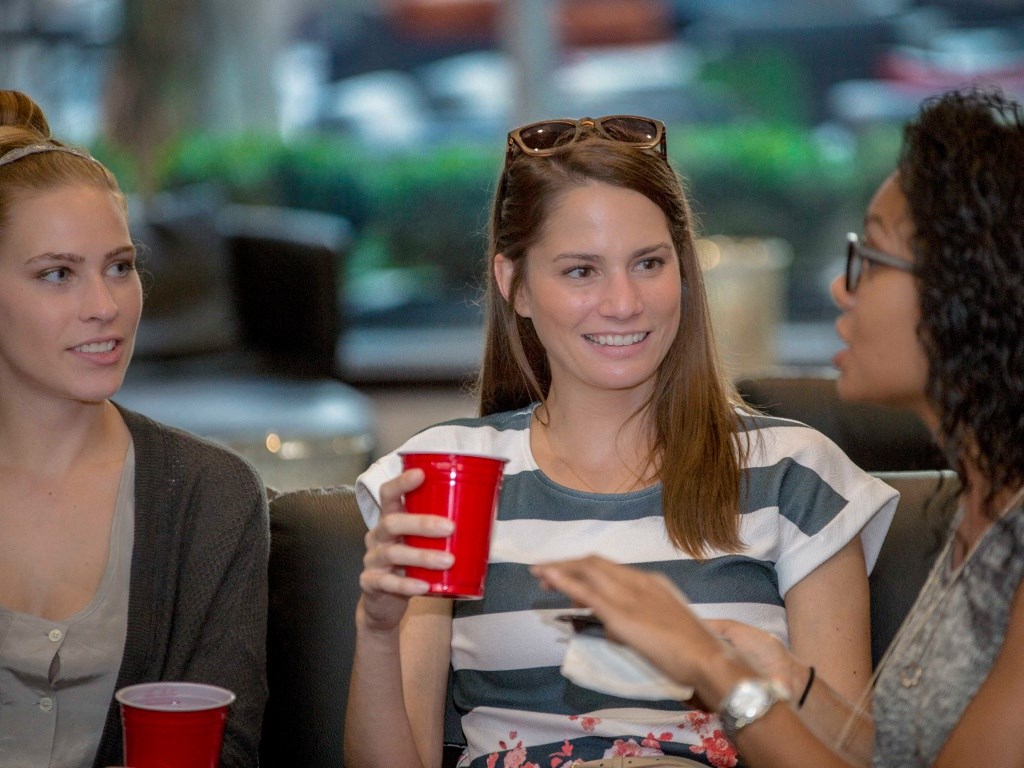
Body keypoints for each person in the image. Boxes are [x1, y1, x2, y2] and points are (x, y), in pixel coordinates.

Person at [348, 113, 898, 767]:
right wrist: (376, 634)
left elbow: (851, 759)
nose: (623, 302)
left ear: (684, 271)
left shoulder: (795, 473)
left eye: (648, 263)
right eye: (581, 271)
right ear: (514, 285)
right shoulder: (447, 474)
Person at [533, 88, 1024, 768]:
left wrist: (712, 669)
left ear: (966, 294)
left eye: (872, 261)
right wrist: (789, 683)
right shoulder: (981, 507)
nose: (840, 288)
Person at [0, 89, 269, 767]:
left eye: (120, 268)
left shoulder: (211, 495)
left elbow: (227, 751)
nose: (104, 307)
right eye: (57, 274)